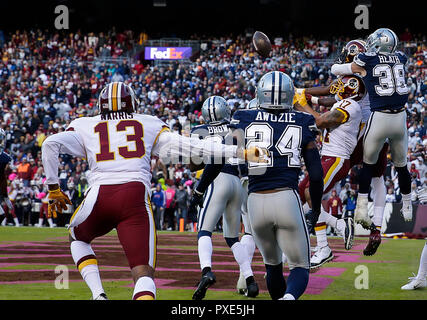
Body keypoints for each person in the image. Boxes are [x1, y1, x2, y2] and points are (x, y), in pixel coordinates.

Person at [41, 81, 262, 300]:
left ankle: (98, 294)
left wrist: (53, 188)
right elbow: (195, 147)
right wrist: (240, 151)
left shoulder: (85, 124)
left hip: (99, 196)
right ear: (132, 104)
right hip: (134, 198)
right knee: (143, 274)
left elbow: (50, 144)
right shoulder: (148, 123)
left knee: (77, 237)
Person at [191, 71, 324, 300]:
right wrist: (317, 208)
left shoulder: (244, 118)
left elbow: (218, 158)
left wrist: (200, 188)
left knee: (272, 266)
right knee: (300, 266)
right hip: (286, 197)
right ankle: (290, 298)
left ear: (260, 94)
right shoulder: (303, 121)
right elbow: (315, 174)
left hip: (255, 201)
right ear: (289, 95)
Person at [304, 39, 389, 256]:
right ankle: (374, 229)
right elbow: (333, 97)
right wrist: (309, 97)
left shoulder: (355, 77)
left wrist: (305, 99)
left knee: (314, 188)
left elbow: (333, 82)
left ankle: (330, 236)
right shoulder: (370, 74)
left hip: (355, 132)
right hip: (378, 127)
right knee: (377, 179)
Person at [330, 28, 413, 233]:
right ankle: (408, 205)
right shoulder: (401, 57)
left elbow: (337, 70)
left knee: (368, 165)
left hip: (380, 117)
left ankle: (360, 209)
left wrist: (345, 66)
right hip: (400, 118)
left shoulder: (367, 59)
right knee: (401, 166)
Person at [189, 95, 259, 300]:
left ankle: (206, 271)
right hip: (236, 181)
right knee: (232, 238)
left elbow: (194, 164)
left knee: (204, 231)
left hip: (215, 180)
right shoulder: (235, 128)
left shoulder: (198, 131)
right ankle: (250, 280)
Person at [295, 74, 365, 267]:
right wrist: (306, 97)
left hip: (337, 158)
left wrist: (300, 106)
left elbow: (321, 121)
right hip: (327, 157)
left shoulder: (351, 106)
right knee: (299, 194)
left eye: (342, 85)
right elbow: (326, 100)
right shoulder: (343, 103)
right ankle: (296, 248)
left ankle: (326, 244)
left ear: (350, 88)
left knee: (311, 192)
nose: (337, 86)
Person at [0, 129, 15, 226]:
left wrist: (5, 196)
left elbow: (2, 179)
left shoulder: (4, 156)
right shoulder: (4, 157)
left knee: (1, 215)